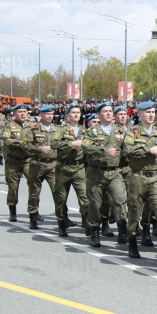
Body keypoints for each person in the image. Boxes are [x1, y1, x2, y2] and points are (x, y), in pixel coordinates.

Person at [122, 101, 157, 261]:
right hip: (138, 177)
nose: (150, 115)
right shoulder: (133, 131)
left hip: (156, 177)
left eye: (152, 112)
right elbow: (127, 150)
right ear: (139, 114)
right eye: (147, 112)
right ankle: (132, 243)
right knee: (134, 213)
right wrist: (147, 150)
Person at [82, 101, 128, 248]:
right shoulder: (92, 131)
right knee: (95, 204)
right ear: (99, 114)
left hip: (115, 171)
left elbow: (128, 149)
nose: (108, 113)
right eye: (105, 111)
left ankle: (122, 231)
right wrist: (103, 151)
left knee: (120, 200)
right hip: (96, 172)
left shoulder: (120, 131)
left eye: (110, 111)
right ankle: (94, 233)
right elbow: (86, 146)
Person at [52, 101, 89, 237]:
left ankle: (87, 224)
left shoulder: (85, 131)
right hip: (63, 167)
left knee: (84, 198)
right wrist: (71, 144)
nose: (76, 115)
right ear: (67, 115)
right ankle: (61, 225)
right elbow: (54, 143)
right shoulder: (61, 130)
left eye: (78, 112)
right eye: (73, 112)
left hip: (79, 167)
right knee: (61, 198)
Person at [23, 105, 58, 229]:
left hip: (53, 164)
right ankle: (33, 216)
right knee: (35, 192)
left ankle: (61, 218)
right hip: (37, 164)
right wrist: (39, 148)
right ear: (41, 114)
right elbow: (25, 145)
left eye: (52, 114)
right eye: (47, 114)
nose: (50, 116)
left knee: (58, 192)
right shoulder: (34, 128)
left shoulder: (57, 129)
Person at [1, 104, 32, 221]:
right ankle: (12, 211)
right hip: (13, 161)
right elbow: (7, 140)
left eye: (24, 111)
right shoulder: (9, 126)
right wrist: (22, 143)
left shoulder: (32, 126)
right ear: (14, 114)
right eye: (20, 112)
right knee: (13, 187)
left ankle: (34, 210)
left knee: (34, 185)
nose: (23, 114)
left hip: (28, 160)